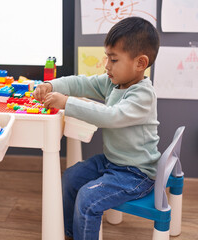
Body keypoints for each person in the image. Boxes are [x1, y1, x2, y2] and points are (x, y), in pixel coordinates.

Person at [33, 16, 161, 240]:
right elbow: (82, 83)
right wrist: (51, 84)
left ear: (140, 63)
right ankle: (71, 233)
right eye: (107, 59)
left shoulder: (143, 95)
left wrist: (67, 103)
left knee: (88, 199)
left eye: (114, 60)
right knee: (71, 178)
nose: (107, 66)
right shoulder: (114, 82)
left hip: (136, 173)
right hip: (113, 161)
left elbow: (112, 117)